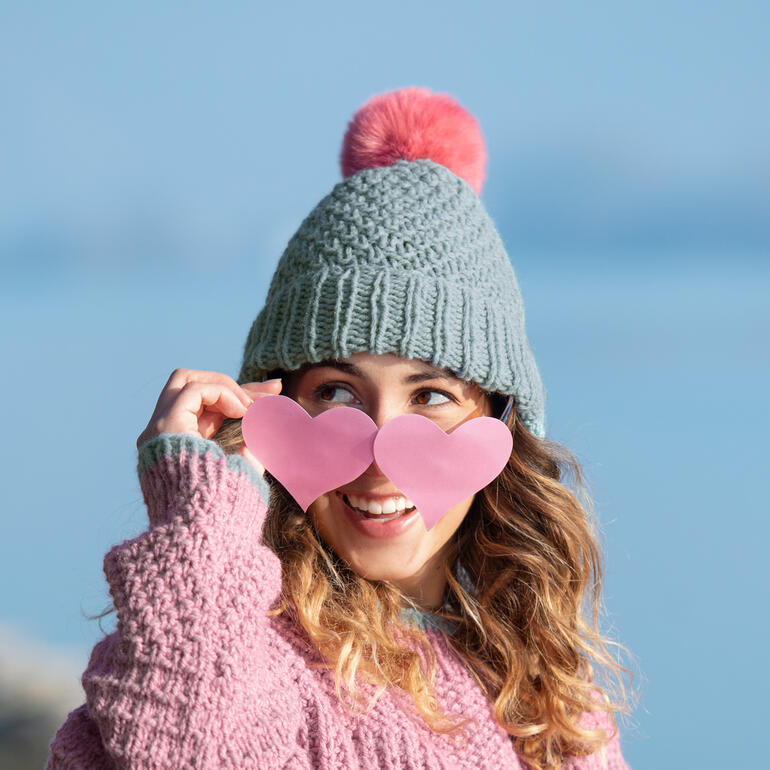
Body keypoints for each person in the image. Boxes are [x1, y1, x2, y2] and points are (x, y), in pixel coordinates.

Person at [46, 87, 632, 769]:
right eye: (336, 392)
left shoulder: (556, 703)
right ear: (265, 411)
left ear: (501, 424)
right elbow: (176, 747)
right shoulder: (238, 665)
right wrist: (199, 519)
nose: (382, 456)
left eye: (433, 395)